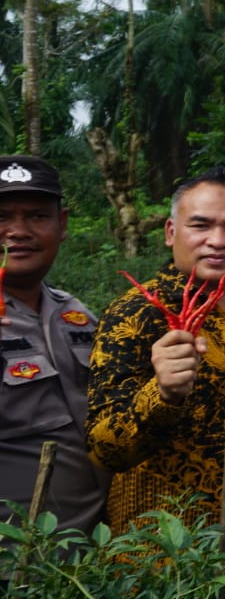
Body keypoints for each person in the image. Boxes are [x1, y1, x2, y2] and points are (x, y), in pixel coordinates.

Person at [87, 166, 225, 532]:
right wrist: (161, 393)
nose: (218, 240)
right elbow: (104, 449)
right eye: (200, 225)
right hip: (166, 559)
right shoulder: (136, 313)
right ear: (171, 232)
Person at [0, 156, 107, 537]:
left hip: (93, 564)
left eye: (36, 216)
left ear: (61, 226)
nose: (18, 231)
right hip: (16, 565)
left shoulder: (77, 314)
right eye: (3, 217)